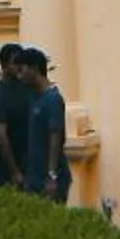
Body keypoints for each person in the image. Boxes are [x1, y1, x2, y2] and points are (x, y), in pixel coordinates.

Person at [18, 47, 70, 203]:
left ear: (34, 68)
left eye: (22, 69)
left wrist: (52, 176)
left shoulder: (52, 99)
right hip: (33, 177)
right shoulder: (34, 97)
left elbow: (55, 137)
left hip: (49, 179)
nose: (20, 75)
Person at [0, 43, 29, 190]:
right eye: (15, 62)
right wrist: (14, 172)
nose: (20, 66)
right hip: (6, 168)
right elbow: (0, 135)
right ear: (4, 65)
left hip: (28, 164)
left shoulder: (26, 89)